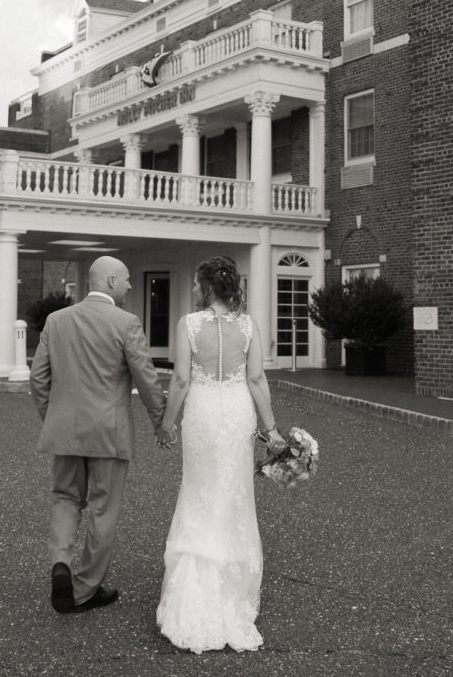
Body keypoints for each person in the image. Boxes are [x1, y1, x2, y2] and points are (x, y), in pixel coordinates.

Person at [155, 255, 284, 653]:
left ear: (208, 287)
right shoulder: (247, 325)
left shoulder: (189, 324)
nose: (193, 291)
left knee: (199, 489)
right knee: (232, 493)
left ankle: (194, 589)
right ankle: (230, 588)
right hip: (237, 411)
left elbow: (179, 379)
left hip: (204, 414)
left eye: (196, 284)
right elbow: (257, 378)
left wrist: (167, 424)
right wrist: (272, 429)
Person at [30, 256, 167, 614]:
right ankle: (84, 589)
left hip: (64, 431)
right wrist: (160, 422)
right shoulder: (126, 323)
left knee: (65, 497)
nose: (129, 286)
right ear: (109, 282)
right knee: (103, 509)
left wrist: (54, 418)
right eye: (124, 280)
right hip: (109, 432)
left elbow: (38, 379)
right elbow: (147, 379)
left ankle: (60, 564)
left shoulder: (56, 320)